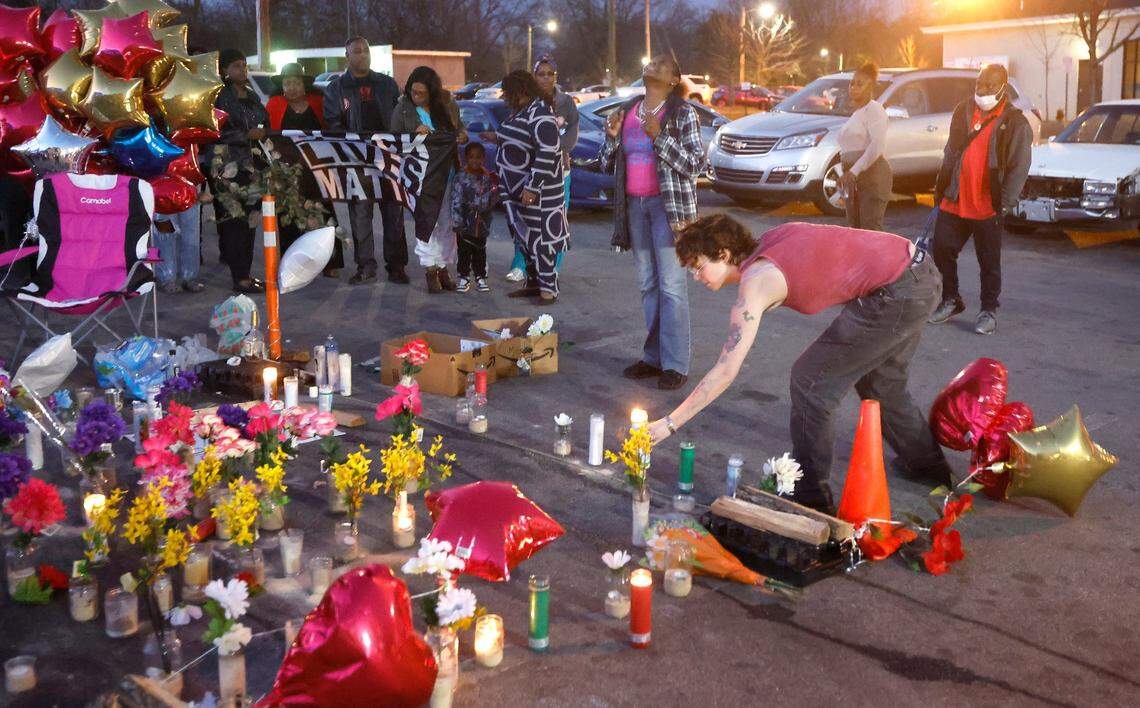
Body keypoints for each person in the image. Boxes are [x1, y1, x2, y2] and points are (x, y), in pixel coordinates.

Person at [646, 214, 953, 513]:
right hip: (918, 273)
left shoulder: (756, 283)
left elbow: (726, 370)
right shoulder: (768, 242)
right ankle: (930, 467)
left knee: (811, 381)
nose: (696, 277)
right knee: (882, 384)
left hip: (898, 291)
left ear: (724, 254)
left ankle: (811, 496)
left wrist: (670, 423)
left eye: (698, 267)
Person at [599, 54, 706, 391]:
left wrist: (660, 137)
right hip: (635, 206)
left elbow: (693, 165)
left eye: (662, 65)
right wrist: (613, 137)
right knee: (648, 283)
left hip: (669, 209)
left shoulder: (682, 113)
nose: (653, 66)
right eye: (651, 63)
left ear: (674, 80)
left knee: (672, 286)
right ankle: (653, 357)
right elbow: (606, 164)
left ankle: (675, 365)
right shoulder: (629, 110)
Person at [929, 63, 1032, 336]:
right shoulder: (963, 111)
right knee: (940, 249)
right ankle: (951, 299)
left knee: (988, 262)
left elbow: (1019, 166)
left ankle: (988, 310)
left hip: (988, 206)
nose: (982, 90)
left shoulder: (1015, 122)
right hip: (955, 199)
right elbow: (951, 150)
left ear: (1002, 88)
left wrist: (1005, 202)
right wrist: (941, 187)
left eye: (989, 85)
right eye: (980, 84)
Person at [323, 36, 405, 285]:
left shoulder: (387, 84)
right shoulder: (336, 89)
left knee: (394, 214)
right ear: (347, 57)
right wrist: (353, 145)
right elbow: (333, 124)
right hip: (356, 161)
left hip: (388, 158)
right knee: (360, 215)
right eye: (357, 52)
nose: (363, 55)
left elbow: (400, 118)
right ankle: (366, 265)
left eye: (366, 51)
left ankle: (397, 266)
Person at [390, 65, 466, 293]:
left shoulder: (447, 103)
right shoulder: (402, 107)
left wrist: (462, 134)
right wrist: (414, 133)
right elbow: (393, 140)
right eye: (413, 92)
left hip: (448, 174)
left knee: (447, 223)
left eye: (421, 94)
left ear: (432, 92)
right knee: (427, 223)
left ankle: (443, 266)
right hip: (420, 177)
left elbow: (458, 127)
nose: (416, 97)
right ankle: (430, 269)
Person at [495, 70, 567, 304]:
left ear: (521, 91)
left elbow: (548, 152)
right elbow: (519, 139)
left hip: (540, 196)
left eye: (508, 93)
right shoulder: (523, 112)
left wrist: (533, 186)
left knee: (542, 240)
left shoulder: (541, 113)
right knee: (526, 239)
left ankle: (548, 290)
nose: (505, 97)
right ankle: (534, 283)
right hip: (518, 193)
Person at [505, 55, 578, 282]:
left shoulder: (565, 102)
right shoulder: (524, 100)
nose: (546, 78)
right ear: (533, 76)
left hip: (558, 171)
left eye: (550, 73)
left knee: (554, 221)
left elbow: (571, 136)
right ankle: (521, 265)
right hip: (527, 169)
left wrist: (553, 152)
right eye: (540, 73)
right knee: (524, 218)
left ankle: (551, 268)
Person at [265, 63, 342, 277]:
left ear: (304, 85)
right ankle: (292, 263)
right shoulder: (274, 104)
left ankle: (331, 262)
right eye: (287, 83)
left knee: (323, 212)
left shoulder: (318, 102)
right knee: (288, 216)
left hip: (317, 166)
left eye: (295, 83)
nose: (291, 87)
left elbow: (331, 131)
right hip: (286, 170)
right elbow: (268, 134)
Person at [210, 49, 269, 294]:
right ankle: (240, 277)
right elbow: (214, 131)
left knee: (251, 220)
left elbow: (265, 121)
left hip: (252, 166)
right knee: (235, 221)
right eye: (236, 66)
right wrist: (245, 135)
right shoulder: (219, 97)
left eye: (244, 65)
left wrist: (262, 133)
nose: (242, 70)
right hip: (228, 167)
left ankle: (245, 271)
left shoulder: (253, 96)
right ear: (224, 70)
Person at [837, 62, 891, 231]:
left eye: (860, 84)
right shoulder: (856, 114)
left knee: (870, 231)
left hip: (872, 176)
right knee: (855, 230)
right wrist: (845, 174)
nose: (854, 87)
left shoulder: (875, 110)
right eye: (852, 83)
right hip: (852, 179)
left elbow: (877, 145)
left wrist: (853, 172)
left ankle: (884, 258)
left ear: (871, 86)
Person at [450, 142, 497, 292]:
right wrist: (457, 222)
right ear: (465, 158)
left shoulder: (487, 177)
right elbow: (455, 201)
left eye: (478, 157)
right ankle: (463, 277)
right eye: (471, 157)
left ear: (483, 158)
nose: (475, 161)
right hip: (464, 223)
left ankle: (480, 276)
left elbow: (491, 199)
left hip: (481, 224)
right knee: (464, 251)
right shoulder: (460, 178)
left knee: (480, 250)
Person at [152, 190, 204, 293]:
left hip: (188, 189)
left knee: (191, 234)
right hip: (162, 189)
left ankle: (189, 276)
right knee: (164, 233)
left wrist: (208, 188)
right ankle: (166, 278)